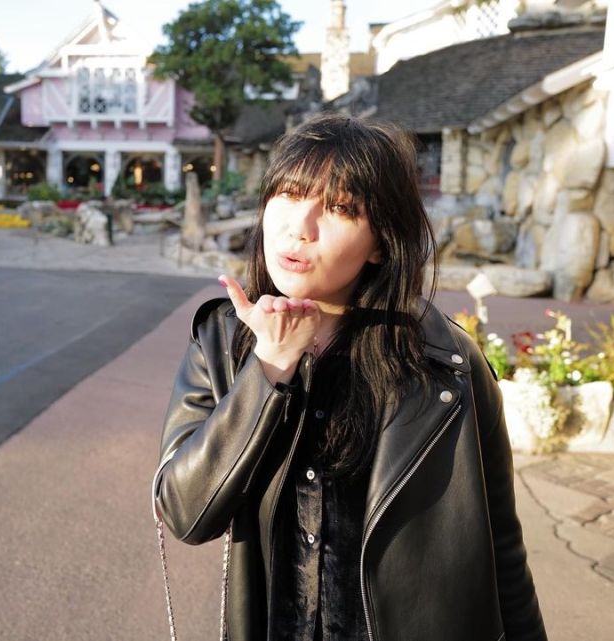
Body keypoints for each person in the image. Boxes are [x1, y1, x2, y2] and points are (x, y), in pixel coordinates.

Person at [151, 114, 547, 641]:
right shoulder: (222, 343)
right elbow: (185, 514)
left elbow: (501, 546)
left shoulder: (447, 365)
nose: (301, 226)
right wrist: (268, 371)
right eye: (289, 195)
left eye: (339, 208)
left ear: (380, 242)